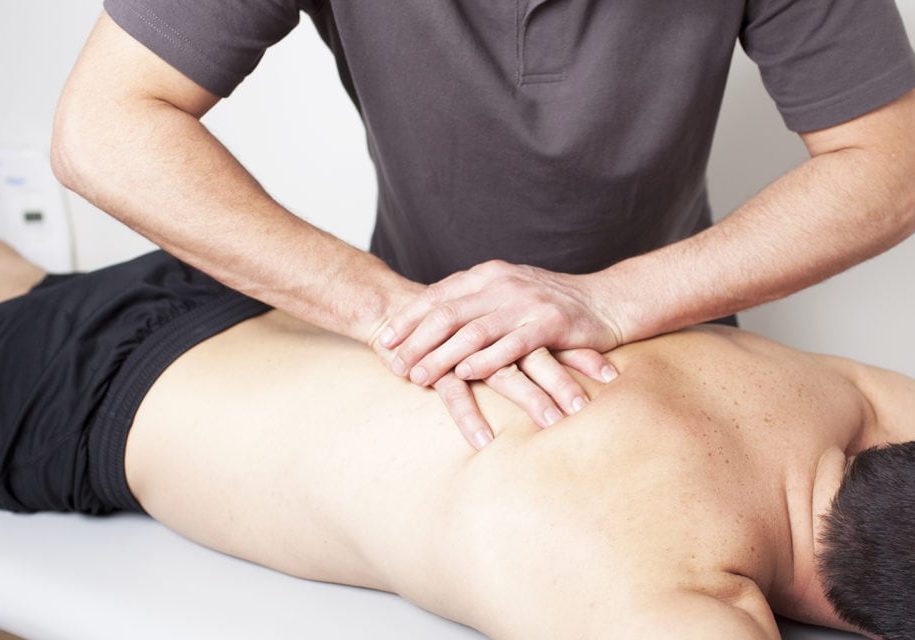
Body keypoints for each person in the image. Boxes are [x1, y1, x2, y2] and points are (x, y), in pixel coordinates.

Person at [50, 2, 915, 448]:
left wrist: (611, 301)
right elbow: (105, 127)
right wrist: (393, 314)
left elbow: (892, 161)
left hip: (672, 338)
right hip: (415, 357)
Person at [2, 241, 913, 639]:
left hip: (256, 315)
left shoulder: (844, 398)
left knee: (28, 292)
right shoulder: (659, 597)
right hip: (96, 399)